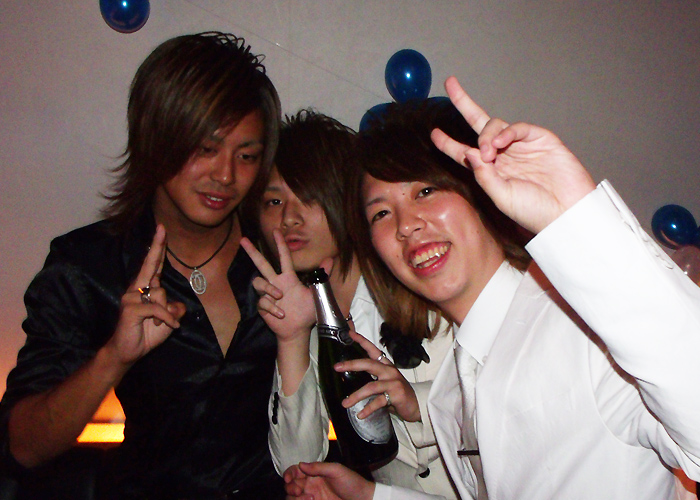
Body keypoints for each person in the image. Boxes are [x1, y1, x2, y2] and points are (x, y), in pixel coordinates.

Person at [281, 76, 700, 500]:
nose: (406, 225)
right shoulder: (450, 392)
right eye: (382, 214)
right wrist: (371, 497)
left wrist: (575, 216)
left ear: (481, 194)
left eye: (425, 190)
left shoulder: (581, 332)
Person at [0, 32, 286, 499]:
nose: (225, 175)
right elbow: (24, 447)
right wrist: (113, 358)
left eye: (247, 156)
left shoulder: (280, 253)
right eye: (205, 148)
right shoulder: (89, 265)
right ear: (156, 137)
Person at [238, 110, 458, 498]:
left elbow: (497, 399)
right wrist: (292, 339)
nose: (289, 218)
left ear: (348, 199)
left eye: (308, 197)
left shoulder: (423, 278)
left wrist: (414, 401)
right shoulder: (306, 319)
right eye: (273, 201)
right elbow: (296, 464)